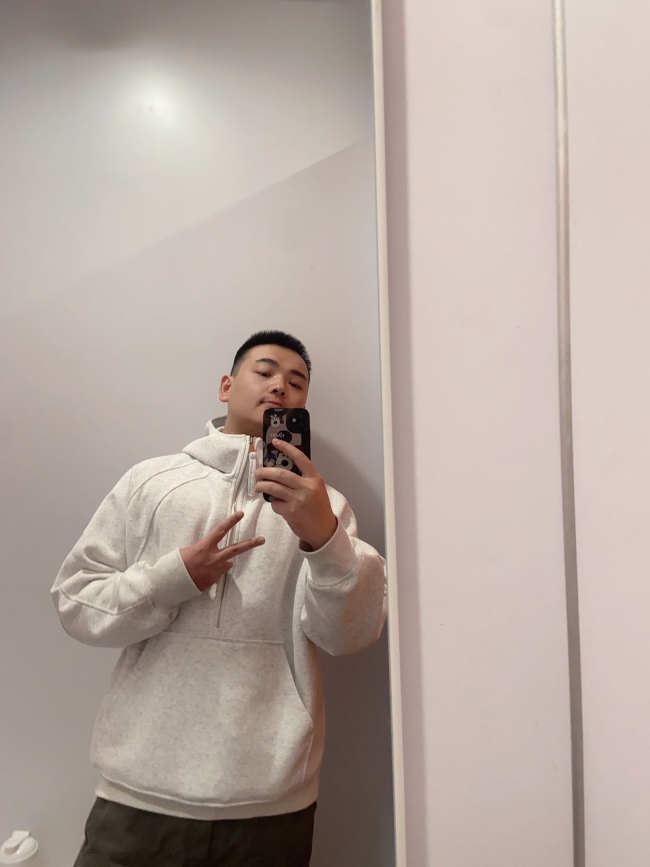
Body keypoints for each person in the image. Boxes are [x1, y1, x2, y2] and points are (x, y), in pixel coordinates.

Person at [52, 330, 387, 867]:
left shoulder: (326, 507)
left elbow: (349, 634)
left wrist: (324, 539)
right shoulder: (151, 482)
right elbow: (75, 600)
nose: (280, 386)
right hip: (139, 795)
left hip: (271, 802)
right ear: (227, 386)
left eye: (296, 382)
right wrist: (173, 577)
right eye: (265, 371)